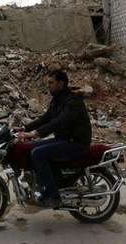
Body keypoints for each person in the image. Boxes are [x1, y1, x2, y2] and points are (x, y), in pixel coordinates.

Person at [16, 69, 92, 208]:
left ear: (61, 83)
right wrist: (24, 129)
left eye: (51, 82)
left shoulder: (72, 101)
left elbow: (60, 122)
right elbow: (46, 118)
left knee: (37, 153)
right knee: (33, 147)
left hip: (76, 143)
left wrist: (35, 133)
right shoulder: (57, 100)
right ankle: (47, 184)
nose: (48, 85)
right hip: (64, 139)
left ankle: (53, 195)